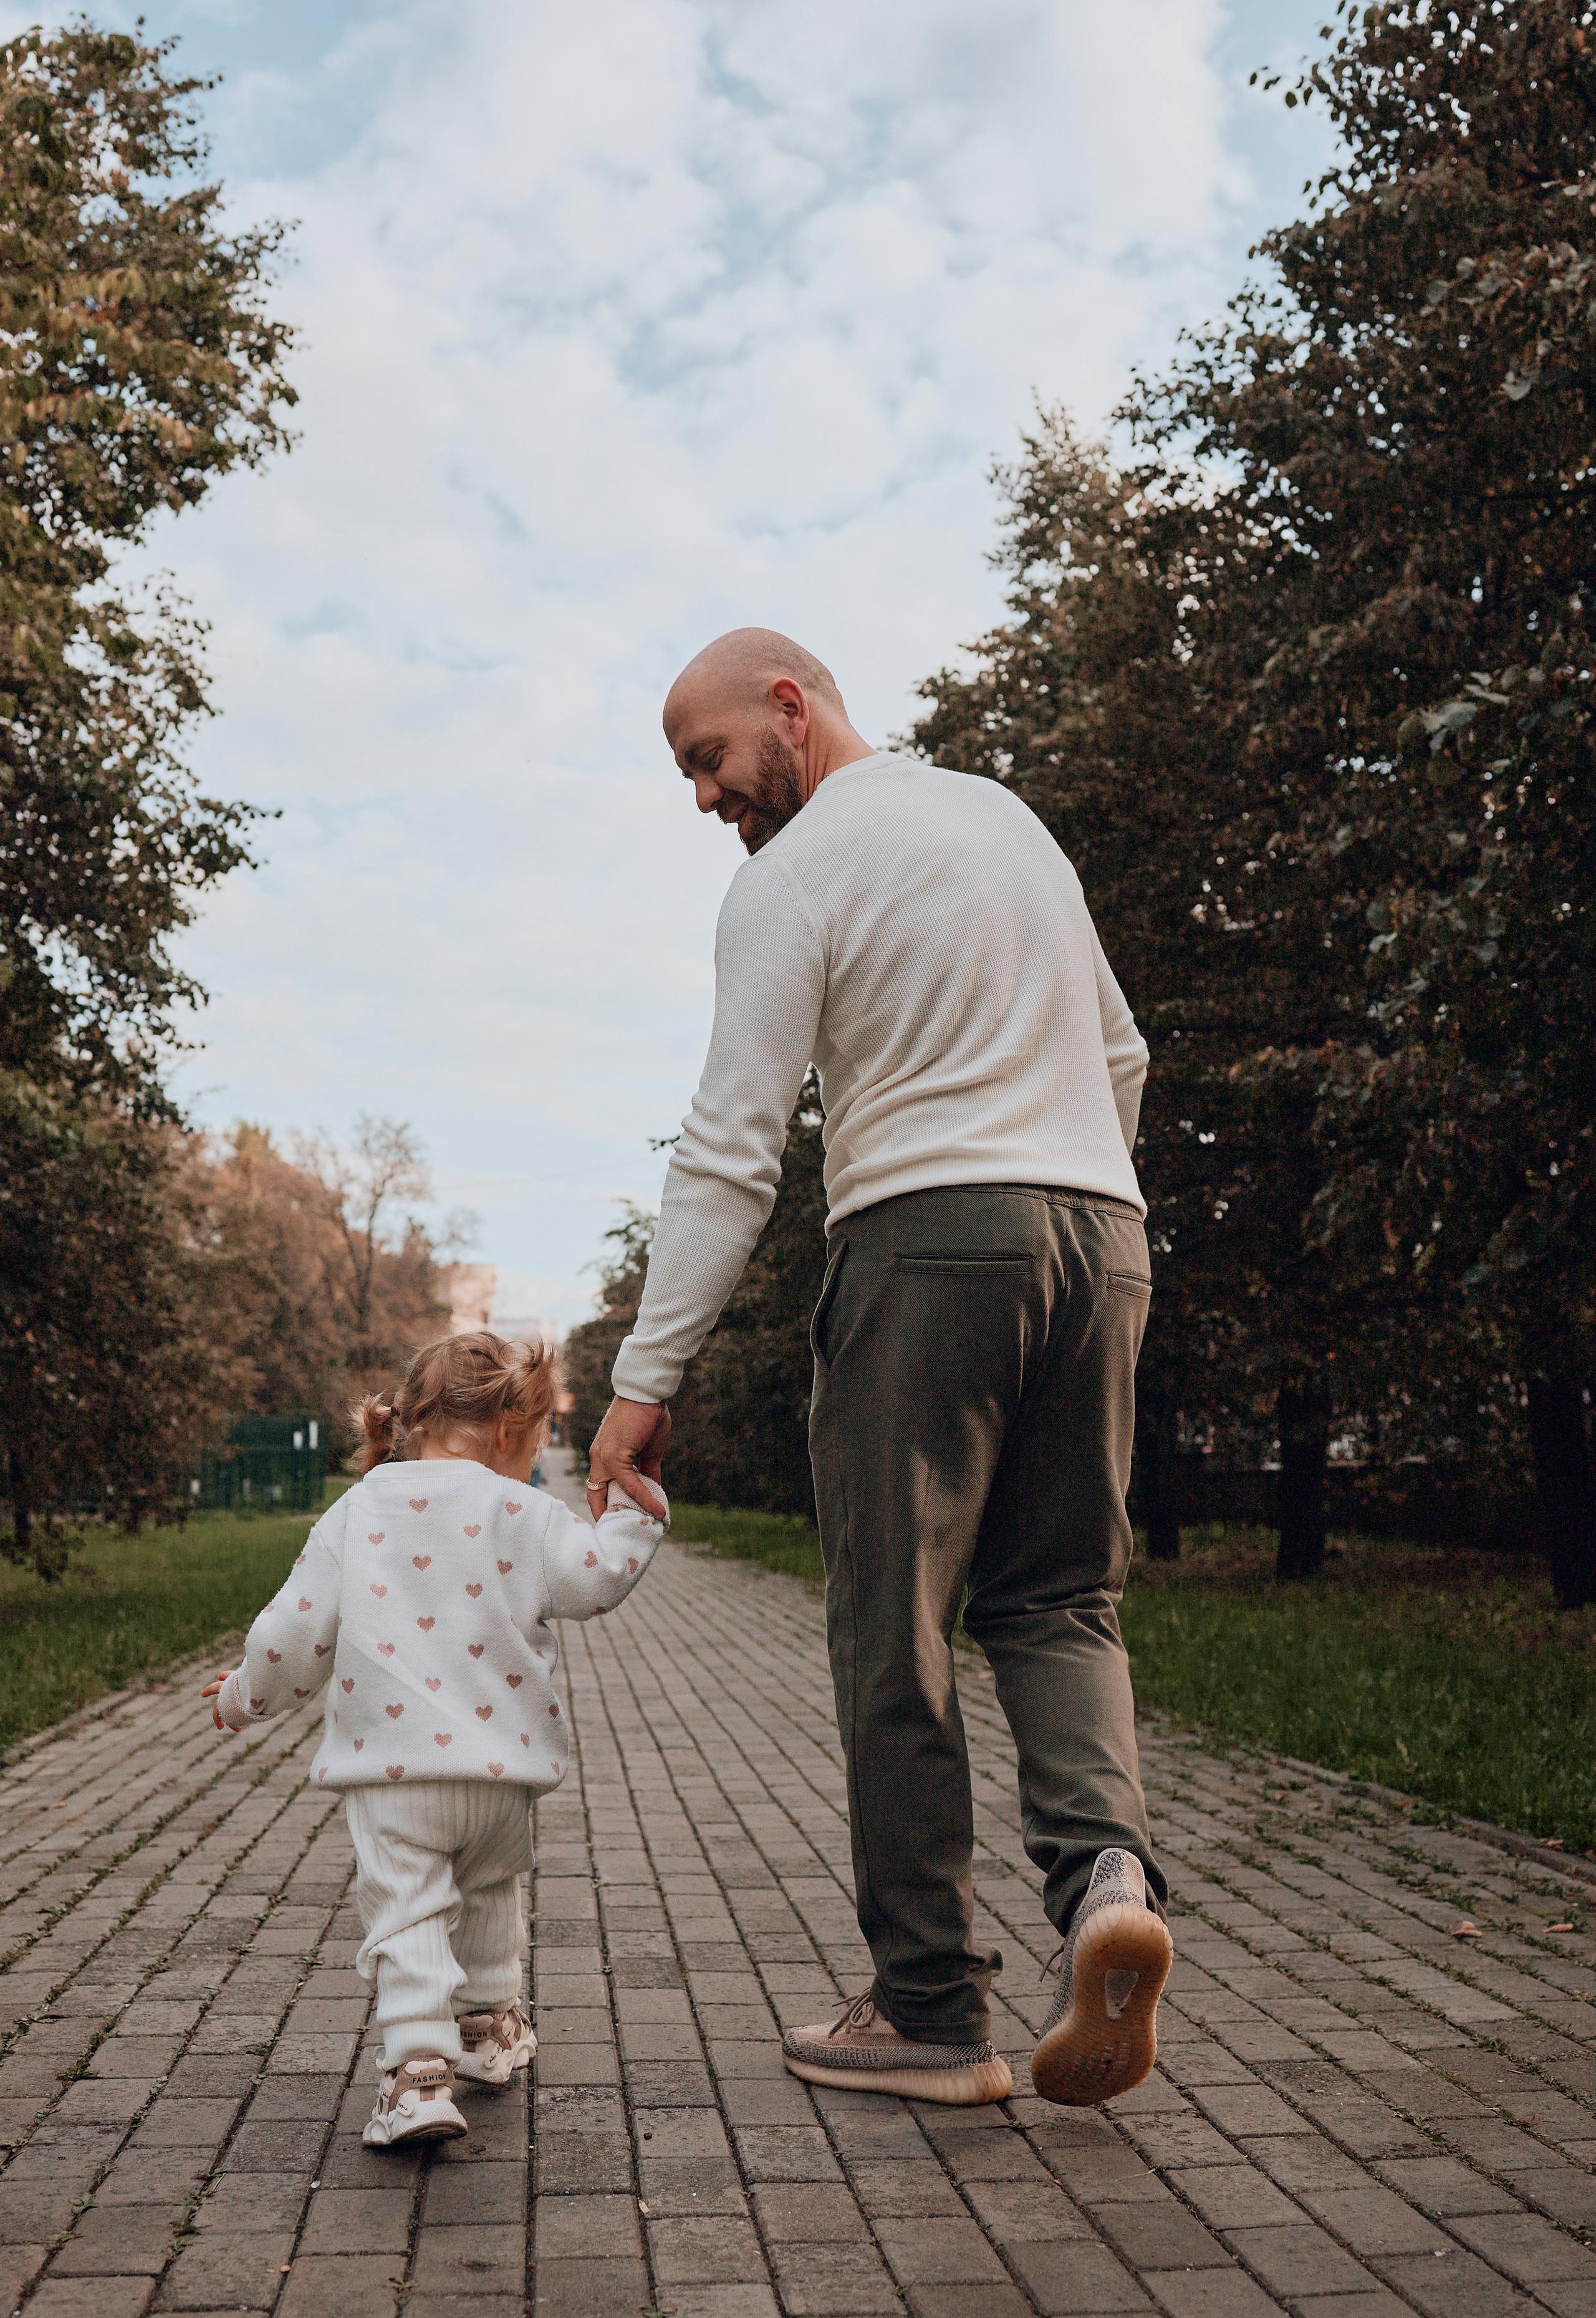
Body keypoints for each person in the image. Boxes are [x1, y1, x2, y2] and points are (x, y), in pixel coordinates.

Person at [586, 627, 1172, 2108]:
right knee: (1057, 1599)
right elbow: (1121, 1054)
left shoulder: (788, 880)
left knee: (892, 1626)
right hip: (1101, 1238)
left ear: (790, 706)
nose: (703, 801)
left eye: (706, 759)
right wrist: (1069, 1196)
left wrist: (642, 1383)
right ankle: (1104, 1883)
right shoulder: (1003, 820)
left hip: (927, 1244)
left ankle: (928, 2012)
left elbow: (730, 1152)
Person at [203, 1330, 665, 2148]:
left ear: (411, 1422)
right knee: (489, 1894)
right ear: (512, 1430)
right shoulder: (524, 1513)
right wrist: (633, 1509)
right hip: (502, 1777)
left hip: (395, 1775)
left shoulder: (358, 1512)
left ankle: (419, 2073)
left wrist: (244, 1698)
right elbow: (595, 1580)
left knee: (409, 1910)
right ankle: (489, 2031)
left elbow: (293, 1635)